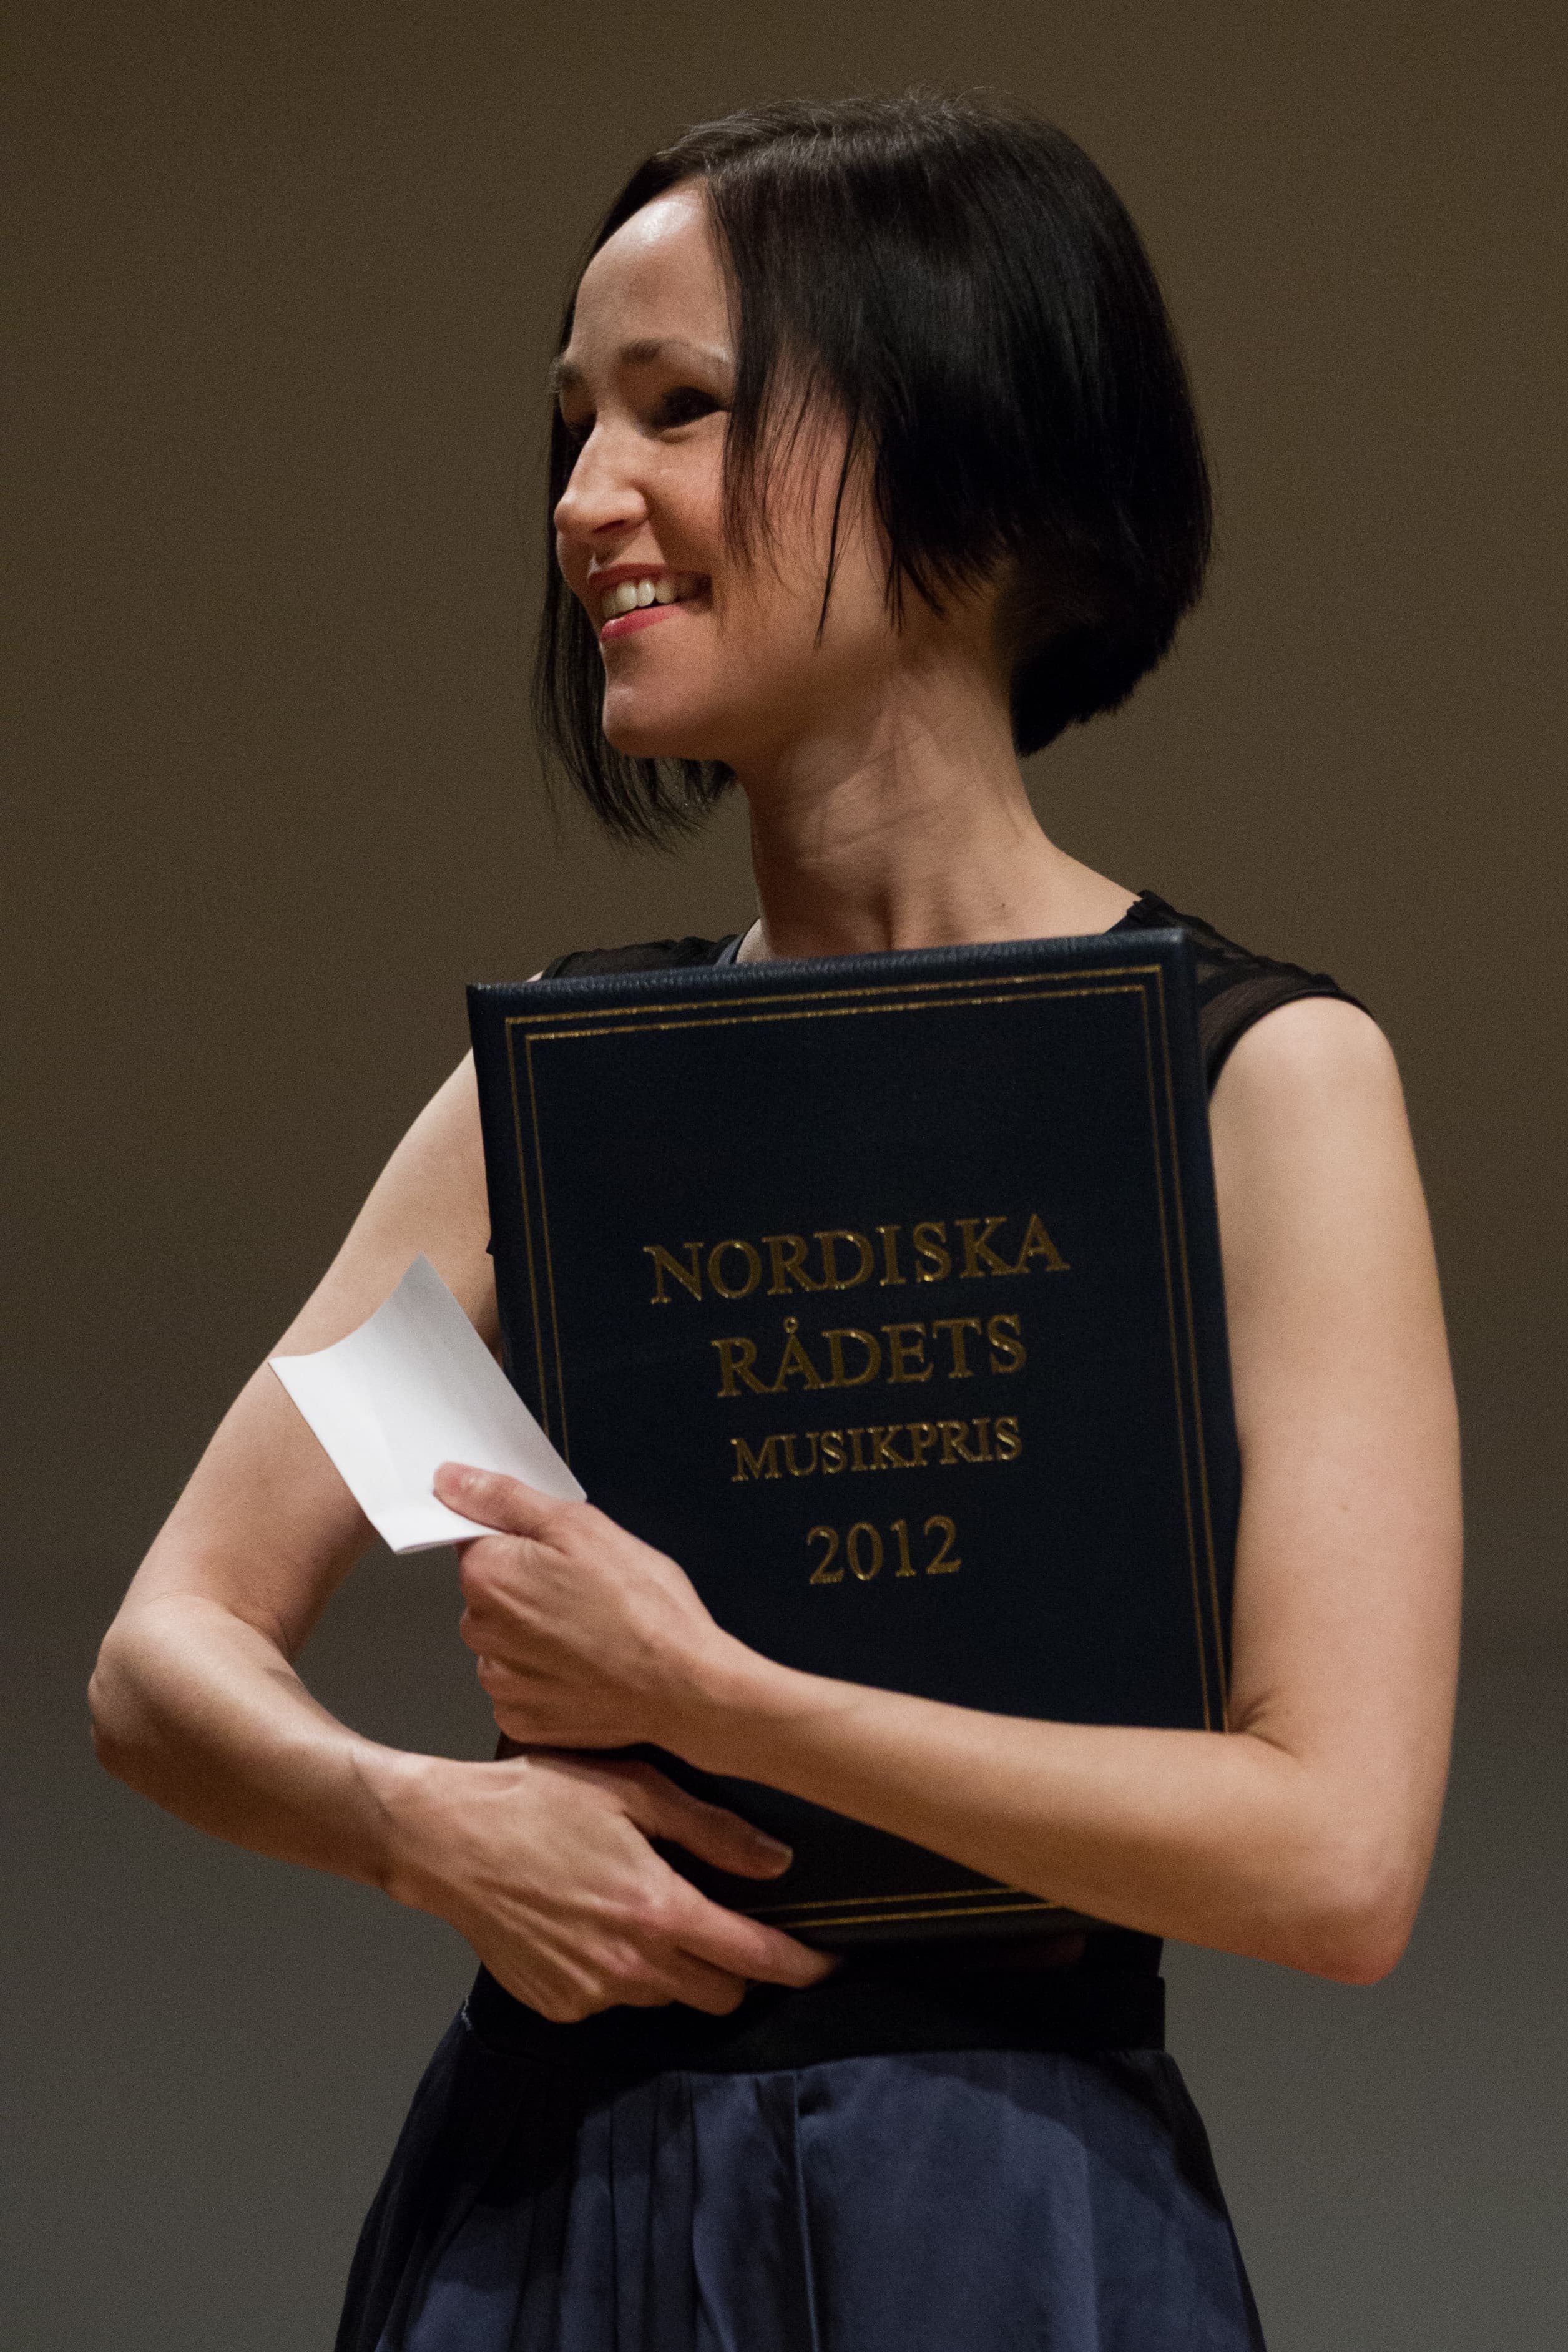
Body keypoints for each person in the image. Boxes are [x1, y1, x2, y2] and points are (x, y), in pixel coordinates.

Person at [90, 92, 1461, 2351]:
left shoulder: (1260, 1085)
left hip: (1005, 2218)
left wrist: (713, 1695)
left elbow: (1330, 1862)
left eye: (682, 411)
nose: (582, 503)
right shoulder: (561, 1107)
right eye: (569, 426)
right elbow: (165, 1665)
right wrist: (422, 1825)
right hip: (548, 2211)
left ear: (976, 452)